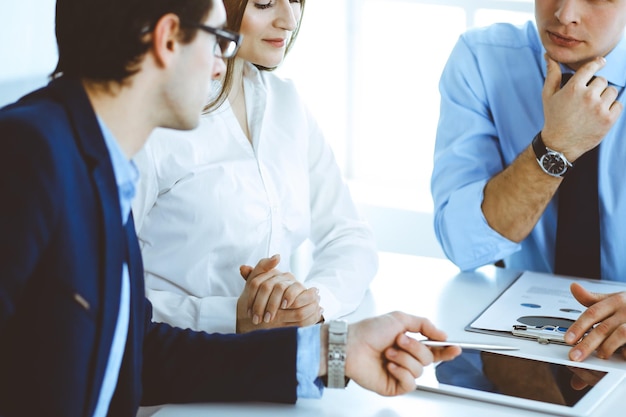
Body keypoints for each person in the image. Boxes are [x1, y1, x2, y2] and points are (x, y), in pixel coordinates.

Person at [0, 0, 461, 415]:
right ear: (166, 40)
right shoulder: (28, 153)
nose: (226, 59)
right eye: (218, 38)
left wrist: (337, 349)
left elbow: (139, 352)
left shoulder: (100, 165)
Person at [132, 0, 378, 334]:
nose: (290, 21)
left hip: (271, 364)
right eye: (264, 3)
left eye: (294, 0)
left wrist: (313, 302)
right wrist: (229, 316)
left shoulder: (286, 103)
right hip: (173, 364)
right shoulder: (158, 120)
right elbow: (105, 290)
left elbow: (350, 236)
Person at [431, 0, 626, 362]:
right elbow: (464, 244)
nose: (565, 14)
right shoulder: (482, 60)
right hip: (520, 342)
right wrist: (557, 145)